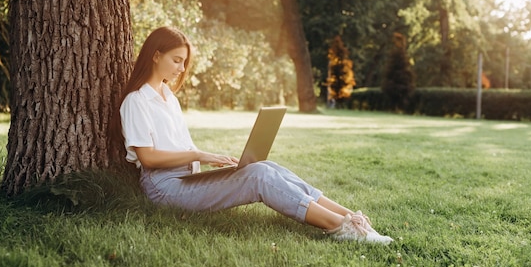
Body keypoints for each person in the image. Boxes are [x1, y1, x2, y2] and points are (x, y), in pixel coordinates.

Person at [114, 26, 393, 244]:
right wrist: (201, 155)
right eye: (176, 60)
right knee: (258, 177)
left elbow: (178, 149)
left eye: (184, 62)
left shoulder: (168, 98)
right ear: (155, 55)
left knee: (265, 167)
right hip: (164, 188)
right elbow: (148, 159)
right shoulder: (136, 102)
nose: (181, 69)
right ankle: (339, 228)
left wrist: (211, 170)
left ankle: (351, 218)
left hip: (187, 179)